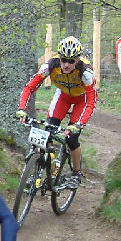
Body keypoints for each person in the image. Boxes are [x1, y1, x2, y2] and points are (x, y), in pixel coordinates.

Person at [16, 35, 97, 188]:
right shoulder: (50, 66)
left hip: (82, 100)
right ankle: (41, 170)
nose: (66, 64)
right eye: (63, 60)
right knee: (47, 132)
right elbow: (29, 87)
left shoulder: (86, 72)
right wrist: (22, 109)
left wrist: (79, 124)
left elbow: (91, 102)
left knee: (72, 138)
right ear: (58, 57)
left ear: (77, 60)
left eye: (71, 61)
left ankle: (76, 173)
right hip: (63, 96)